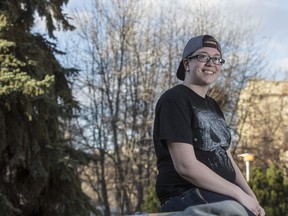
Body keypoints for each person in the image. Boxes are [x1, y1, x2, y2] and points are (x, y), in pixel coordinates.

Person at [153, 35, 265, 216]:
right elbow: (185, 166)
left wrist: (251, 197)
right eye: (203, 57)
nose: (211, 63)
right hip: (184, 194)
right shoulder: (175, 100)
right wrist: (238, 195)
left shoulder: (213, 106)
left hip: (221, 195)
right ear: (187, 64)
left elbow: (225, 156)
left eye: (216, 58)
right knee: (235, 211)